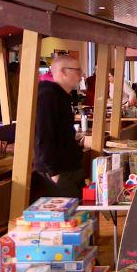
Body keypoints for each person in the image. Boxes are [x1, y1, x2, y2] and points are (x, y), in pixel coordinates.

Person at [34, 56, 86, 197]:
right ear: (63, 71)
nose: (81, 75)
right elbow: (43, 135)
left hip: (69, 167)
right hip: (58, 171)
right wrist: (53, 173)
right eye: (77, 70)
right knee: (71, 215)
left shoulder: (63, 96)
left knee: (84, 214)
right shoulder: (47, 96)